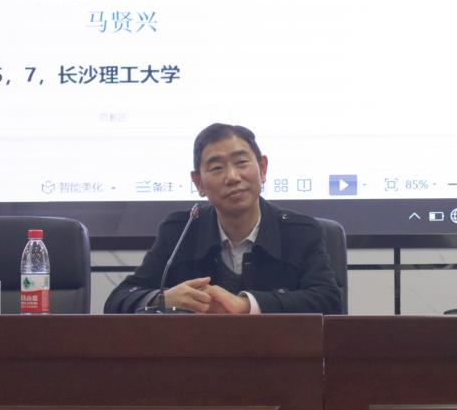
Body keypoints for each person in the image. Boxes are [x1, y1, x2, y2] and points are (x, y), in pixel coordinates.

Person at [105, 123, 343, 314]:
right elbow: (118, 299)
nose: (232, 177)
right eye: (217, 168)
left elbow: (328, 301)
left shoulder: (300, 232)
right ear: (198, 183)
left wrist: (247, 305)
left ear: (262, 168)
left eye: (241, 163)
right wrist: (161, 298)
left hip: (277, 356)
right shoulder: (180, 232)